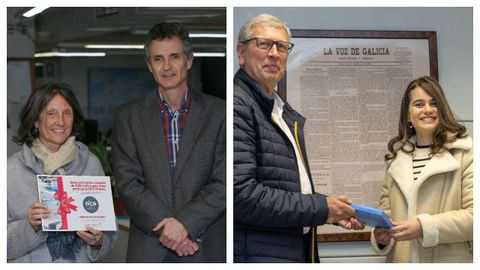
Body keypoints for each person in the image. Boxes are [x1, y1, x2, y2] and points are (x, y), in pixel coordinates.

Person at [234, 13, 363, 263]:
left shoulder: (278, 112)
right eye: (263, 44)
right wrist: (322, 209)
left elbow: (283, 187)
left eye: (281, 46)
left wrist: (330, 209)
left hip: (286, 249)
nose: (274, 53)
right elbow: (241, 195)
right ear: (241, 53)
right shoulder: (238, 105)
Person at [111, 22, 226, 263]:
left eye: (174, 57)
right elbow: (128, 184)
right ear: (149, 66)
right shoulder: (128, 117)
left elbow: (224, 182)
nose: (167, 67)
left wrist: (186, 224)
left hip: (204, 247)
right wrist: (169, 229)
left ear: (189, 60)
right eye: (158, 59)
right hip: (149, 248)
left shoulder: (221, 114)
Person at [7, 82, 116, 262]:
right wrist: (30, 226)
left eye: (67, 113)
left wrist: (98, 241)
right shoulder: (11, 171)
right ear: (35, 120)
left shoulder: (91, 164)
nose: (61, 121)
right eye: (51, 114)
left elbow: (109, 235)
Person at [371, 76, 473, 262]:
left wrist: (423, 226)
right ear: (408, 115)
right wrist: (381, 237)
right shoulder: (395, 162)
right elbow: (386, 216)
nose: (428, 110)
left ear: (442, 110)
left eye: (434, 103)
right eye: (419, 104)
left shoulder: (465, 154)